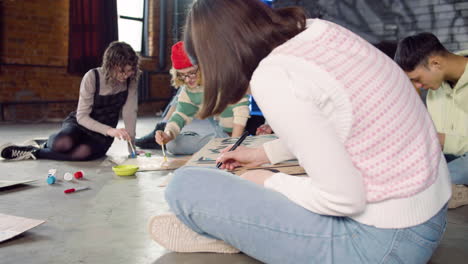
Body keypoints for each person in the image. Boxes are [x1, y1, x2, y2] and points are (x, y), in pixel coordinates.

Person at [147, 1, 451, 263]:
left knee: (185, 185)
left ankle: (234, 232)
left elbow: (345, 200)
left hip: (381, 244)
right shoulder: (317, 31)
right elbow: (337, 124)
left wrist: (267, 179)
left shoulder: (274, 75)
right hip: (428, 211)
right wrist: (262, 154)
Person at [0, 41, 140, 161]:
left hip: (102, 135)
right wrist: (110, 130)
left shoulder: (131, 80)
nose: (126, 75)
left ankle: (34, 152)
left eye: (130, 71)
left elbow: (130, 113)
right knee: (62, 144)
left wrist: (131, 148)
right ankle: (44, 143)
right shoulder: (92, 77)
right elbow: (82, 116)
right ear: (110, 65)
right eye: (122, 71)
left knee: (81, 154)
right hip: (82, 124)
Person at [394, 32, 468, 209]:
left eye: (417, 79)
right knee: (402, 174)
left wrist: (443, 140)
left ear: (435, 63)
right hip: (449, 157)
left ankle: (448, 188)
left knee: (425, 184)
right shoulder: (435, 88)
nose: (418, 86)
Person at [154, 41, 250, 155]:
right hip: (220, 135)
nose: (188, 79)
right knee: (172, 145)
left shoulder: (224, 78)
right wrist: (167, 135)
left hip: (239, 133)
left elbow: (241, 112)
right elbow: (180, 115)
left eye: (192, 72)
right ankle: (218, 145)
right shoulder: (189, 90)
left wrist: (234, 146)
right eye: (182, 75)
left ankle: (227, 145)